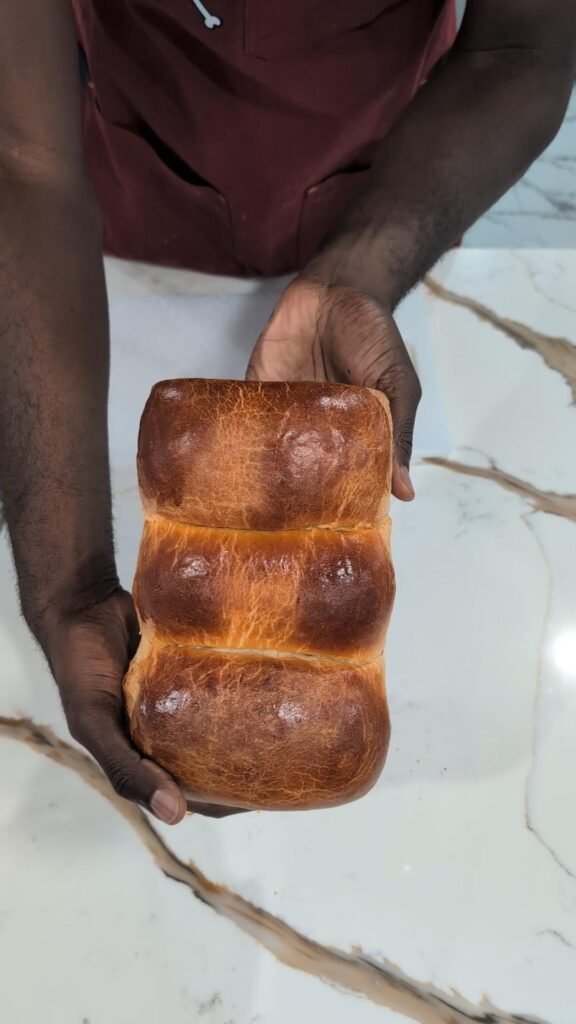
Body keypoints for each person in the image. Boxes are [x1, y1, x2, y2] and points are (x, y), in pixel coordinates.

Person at [1, 1, 575, 825]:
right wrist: (66, 582)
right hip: (143, 196)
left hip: (400, 172)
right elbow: (23, 159)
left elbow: (521, 48)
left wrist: (362, 268)